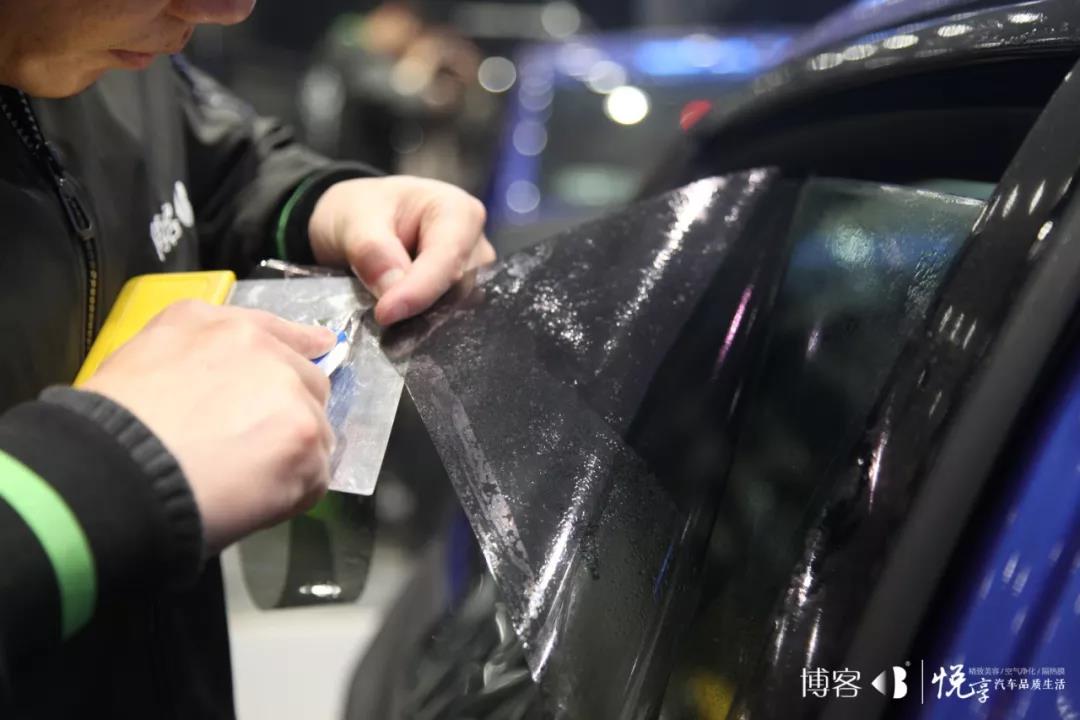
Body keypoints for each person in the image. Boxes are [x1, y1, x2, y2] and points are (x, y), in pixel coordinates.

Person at [0, 0, 494, 716]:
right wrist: (104, 473)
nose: (229, 10)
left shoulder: (120, 53)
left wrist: (323, 203)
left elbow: (209, 160)